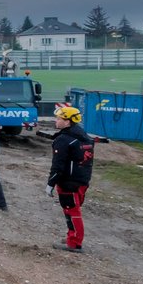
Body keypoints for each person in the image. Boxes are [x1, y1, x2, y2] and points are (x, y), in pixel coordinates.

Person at [47, 102, 95, 252]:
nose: (56, 120)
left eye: (59, 118)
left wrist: (51, 183)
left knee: (72, 211)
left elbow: (58, 165)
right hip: (82, 180)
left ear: (67, 121)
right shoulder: (84, 137)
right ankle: (72, 237)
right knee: (72, 210)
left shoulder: (64, 140)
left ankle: (74, 243)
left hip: (69, 182)